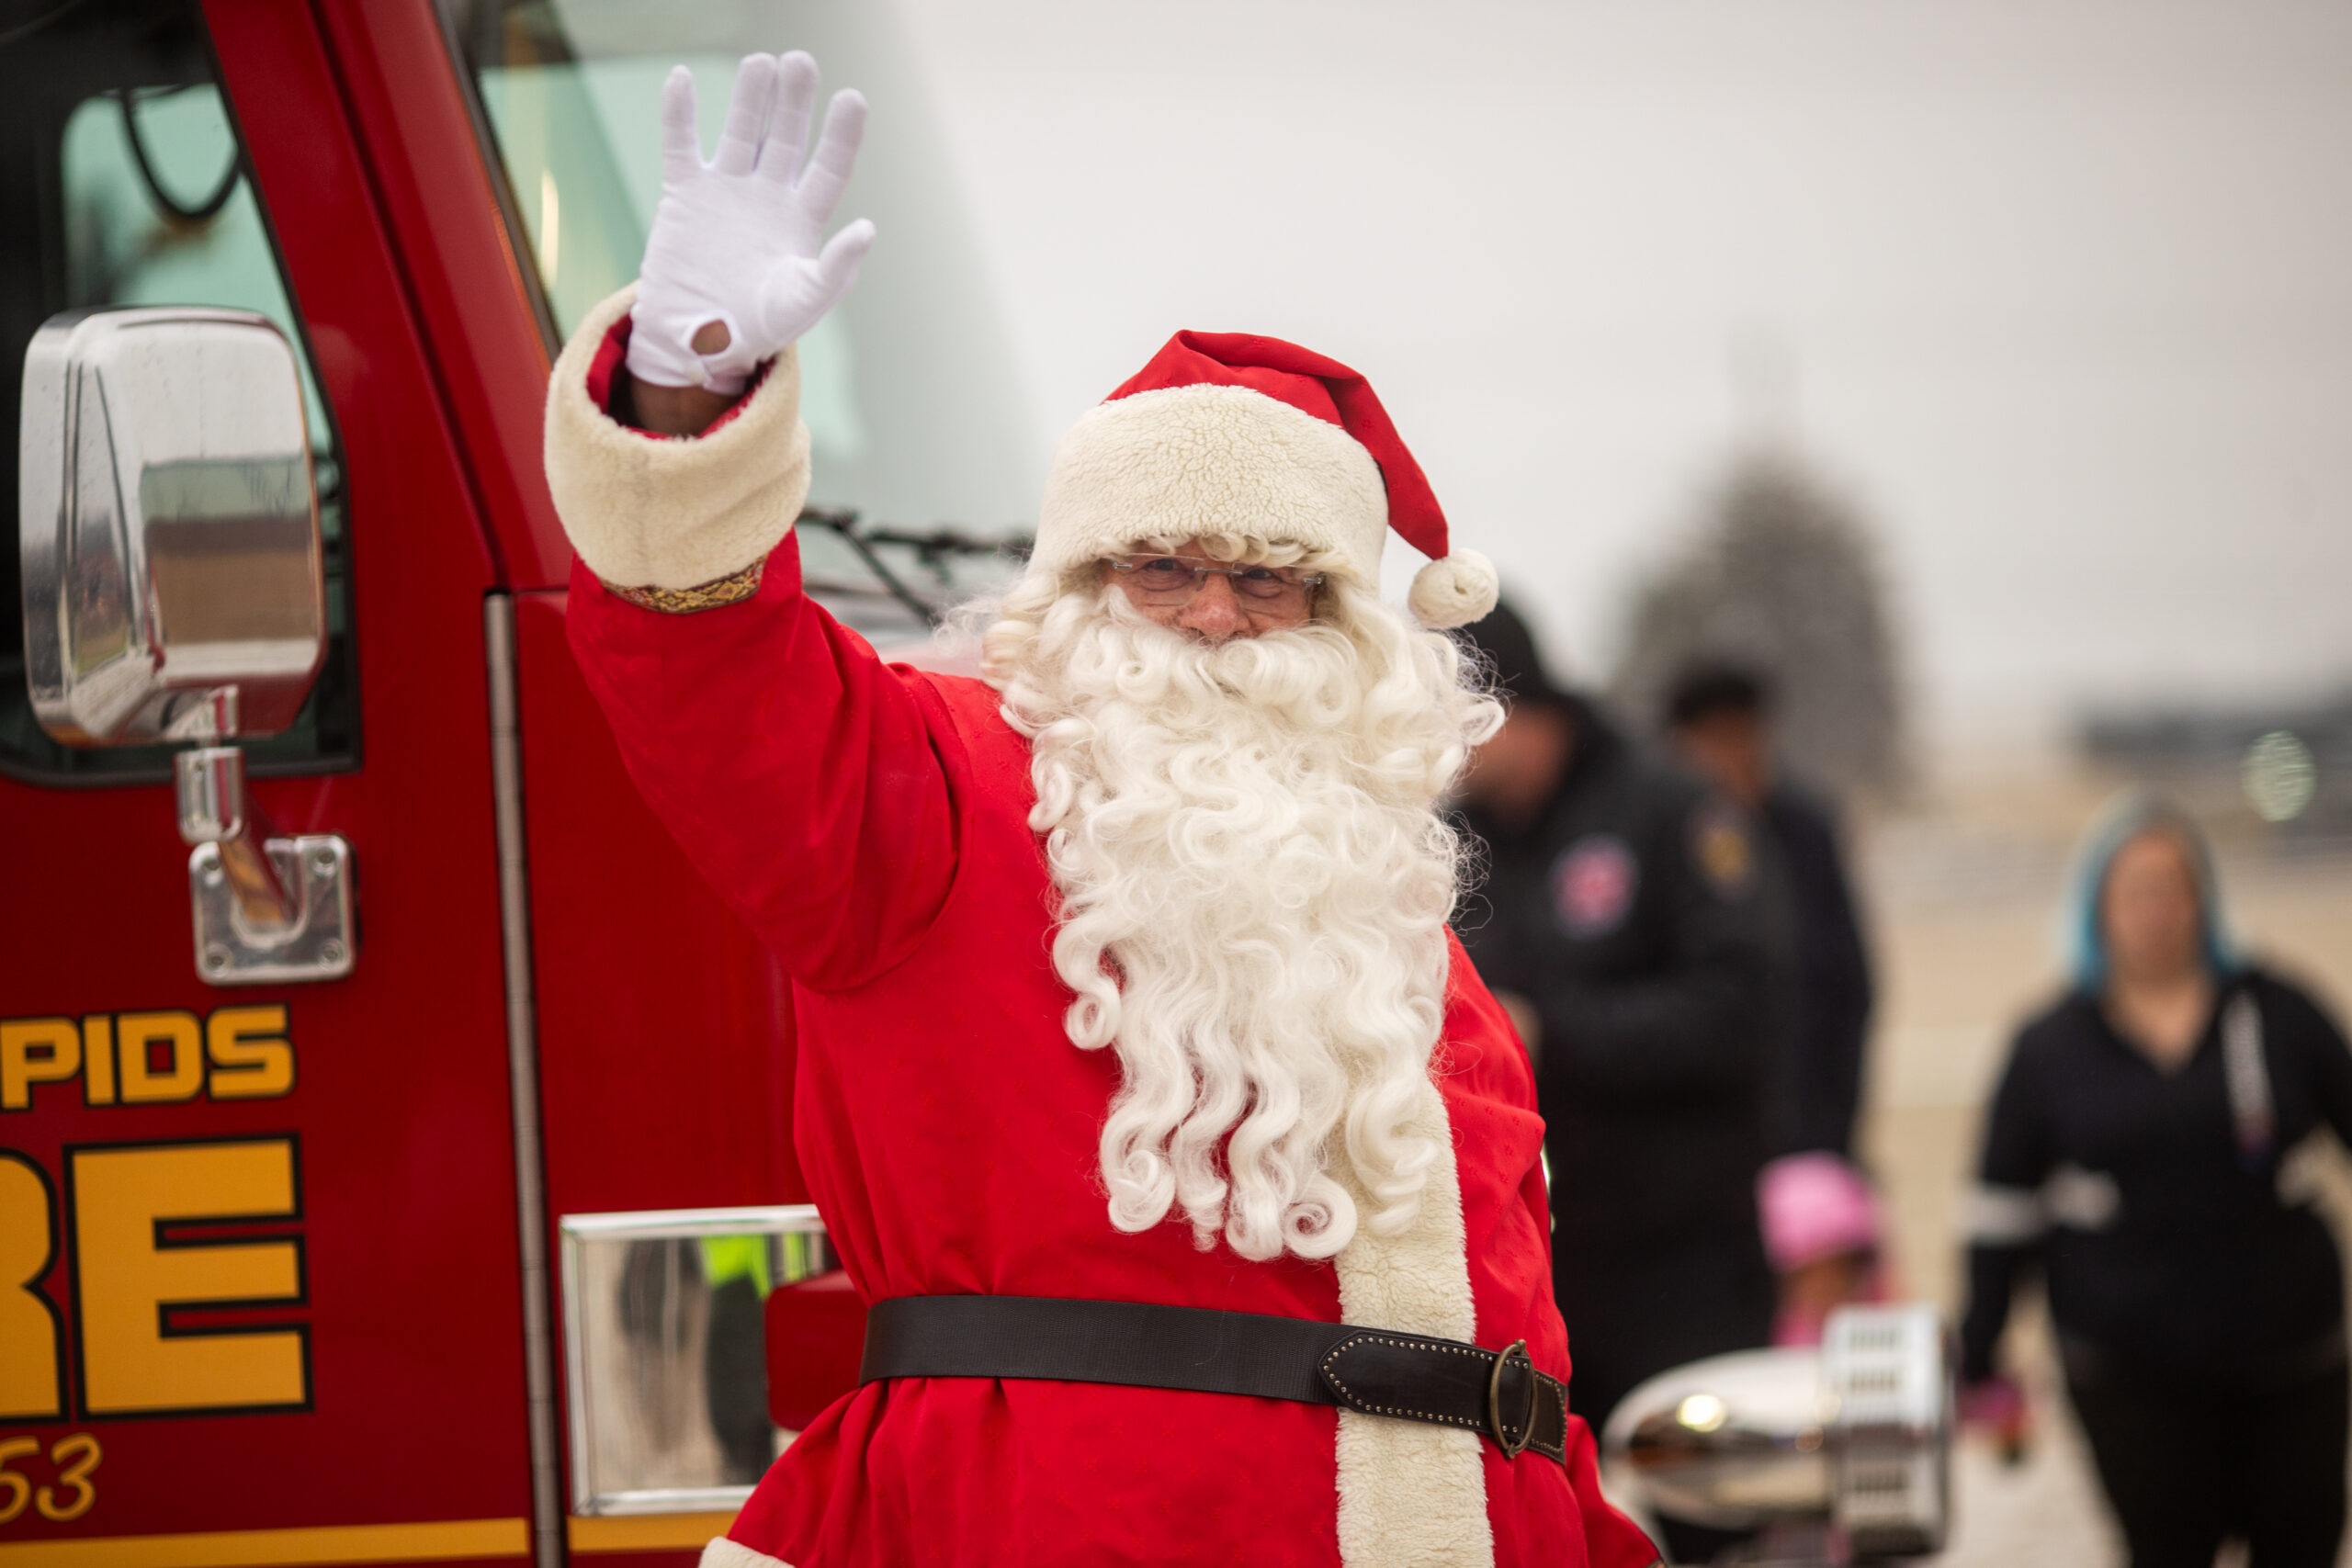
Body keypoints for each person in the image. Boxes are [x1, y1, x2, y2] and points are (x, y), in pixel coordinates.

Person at [546, 50, 1659, 1568]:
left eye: (1267, 576)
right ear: (1075, 587)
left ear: (1339, 629)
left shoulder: (1395, 921)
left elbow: (1515, 1368)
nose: (1211, 614)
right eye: (1163, 565)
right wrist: (688, 393)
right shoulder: (934, 786)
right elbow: (709, 674)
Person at [1959, 792, 2352, 1568]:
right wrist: (1981, 1351)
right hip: (2129, 1366)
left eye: (2173, 886)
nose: (2156, 909)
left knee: (2303, 1541)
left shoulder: (2277, 1011)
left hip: (2290, 1351)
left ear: (2203, 898)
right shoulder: (2049, 1046)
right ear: (2097, 905)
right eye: (2134, 889)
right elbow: (2000, 1207)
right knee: (2166, 1549)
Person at [1448, 605, 1780, 1439]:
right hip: (1528, 1268)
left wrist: (1551, 1034)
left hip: (1679, 1256)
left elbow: (1743, 1005)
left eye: (1453, 721)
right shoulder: (1449, 839)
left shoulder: (1667, 807)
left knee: (1707, 1513)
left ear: (1513, 707)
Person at [1663, 662, 1882, 1345]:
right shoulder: (1658, 837)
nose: (1732, 761)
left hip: (1811, 1142)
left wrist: (1835, 1136)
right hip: (1701, 1163)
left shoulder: (1806, 831)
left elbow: (1849, 987)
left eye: (1743, 740)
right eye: (1712, 743)